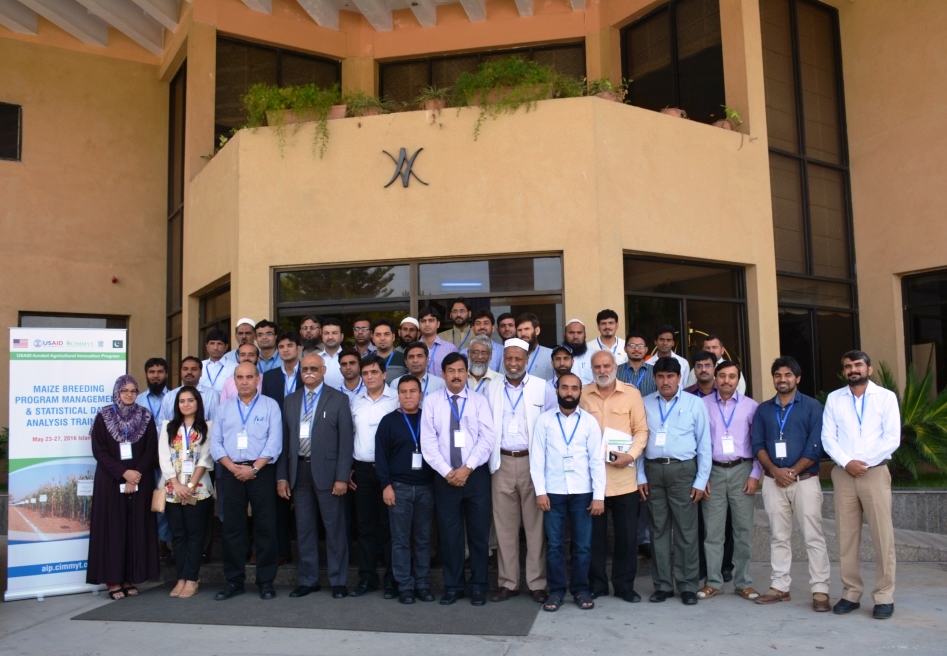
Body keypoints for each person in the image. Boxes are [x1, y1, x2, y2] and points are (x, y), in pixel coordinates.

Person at [822, 350, 900, 620]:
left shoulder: (886, 398)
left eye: (857, 365)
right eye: (847, 366)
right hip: (844, 474)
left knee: (882, 536)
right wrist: (846, 462)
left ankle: (884, 596)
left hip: (874, 472)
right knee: (846, 536)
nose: (853, 370)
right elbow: (828, 437)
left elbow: (892, 437)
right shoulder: (835, 398)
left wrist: (863, 462)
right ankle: (851, 592)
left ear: (870, 368)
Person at [752, 356, 831, 611]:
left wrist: (793, 471)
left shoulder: (812, 407)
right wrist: (775, 471)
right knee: (778, 536)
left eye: (788, 375)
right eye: (777, 375)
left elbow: (815, 446)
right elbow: (757, 445)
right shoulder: (763, 409)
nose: (782, 379)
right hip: (774, 482)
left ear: (798, 378)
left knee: (813, 536)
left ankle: (820, 590)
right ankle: (779, 587)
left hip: (805, 481)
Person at [420, 352, 496, 605]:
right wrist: (447, 472)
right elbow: (428, 443)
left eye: (460, 370)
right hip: (445, 478)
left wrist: (467, 468)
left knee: (478, 534)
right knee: (450, 536)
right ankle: (453, 586)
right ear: (443, 374)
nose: (456, 375)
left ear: (467, 373)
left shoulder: (478, 401)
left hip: (474, 476)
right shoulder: (431, 402)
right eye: (450, 370)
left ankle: (478, 586)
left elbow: (487, 439)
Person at [277, 353, 354, 599]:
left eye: (313, 368)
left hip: (330, 474)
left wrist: (342, 477)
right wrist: (282, 477)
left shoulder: (339, 399)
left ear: (322, 370)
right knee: (304, 528)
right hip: (299, 471)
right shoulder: (290, 400)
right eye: (304, 369)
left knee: (334, 529)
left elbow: (346, 441)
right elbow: (284, 442)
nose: (308, 372)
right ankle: (308, 580)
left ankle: (338, 580)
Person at [637, 356, 711, 605]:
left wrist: (701, 480)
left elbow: (704, 444)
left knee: (686, 531)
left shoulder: (694, 404)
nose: (665, 381)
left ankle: (688, 585)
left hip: (683, 472)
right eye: (660, 376)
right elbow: (638, 441)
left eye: (670, 376)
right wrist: (640, 475)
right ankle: (663, 586)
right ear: (654, 378)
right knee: (658, 530)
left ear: (679, 378)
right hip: (654, 471)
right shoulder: (644, 404)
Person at [531, 373, 606, 612]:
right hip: (552, 492)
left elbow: (596, 460)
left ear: (580, 392)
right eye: (565, 388)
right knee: (554, 545)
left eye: (574, 388)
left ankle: (581, 589)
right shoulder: (544, 421)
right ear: (557, 391)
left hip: (583, 492)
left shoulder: (589, 422)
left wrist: (598, 495)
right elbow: (537, 459)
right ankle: (556, 591)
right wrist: (540, 492)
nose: (569, 392)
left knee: (582, 545)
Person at [580, 350, 649, 603]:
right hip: (591, 481)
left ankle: (624, 585)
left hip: (624, 479)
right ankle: (597, 584)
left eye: (607, 365)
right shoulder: (583, 394)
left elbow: (641, 430)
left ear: (616, 367)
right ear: (591, 368)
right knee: (593, 538)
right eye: (597, 366)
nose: (602, 370)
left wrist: (630, 455)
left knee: (627, 537)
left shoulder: (632, 394)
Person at [486, 338, 551, 603]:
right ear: (503, 360)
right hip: (500, 463)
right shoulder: (491, 389)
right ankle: (508, 582)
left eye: (518, 359)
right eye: (509, 358)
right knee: (505, 527)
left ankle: (536, 583)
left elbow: (549, 427)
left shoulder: (541, 387)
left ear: (526, 360)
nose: (513, 363)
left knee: (535, 528)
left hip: (531, 464)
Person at [210, 363, 282, 601]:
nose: (244, 381)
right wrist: (233, 468)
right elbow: (216, 443)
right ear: (234, 380)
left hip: (261, 471)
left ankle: (265, 581)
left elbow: (274, 443)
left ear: (257, 379)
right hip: (231, 471)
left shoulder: (271, 406)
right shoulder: (223, 408)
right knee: (232, 528)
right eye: (239, 377)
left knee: (265, 527)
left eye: (249, 377)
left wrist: (253, 469)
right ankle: (234, 581)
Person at [86, 375, 159, 600]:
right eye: (124, 390)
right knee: (113, 530)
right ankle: (113, 580)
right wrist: (123, 473)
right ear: (117, 392)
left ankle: (129, 577)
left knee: (134, 528)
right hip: (110, 482)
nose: (129, 394)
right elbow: (99, 451)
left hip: (140, 480)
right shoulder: (104, 416)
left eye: (133, 391)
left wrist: (134, 475)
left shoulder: (145, 416)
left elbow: (150, 449)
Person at [697, 361, 761, 602]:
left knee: (743, 531)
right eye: (722, 376)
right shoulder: (702, 405)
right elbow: (697, 443)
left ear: (738, 380)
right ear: (715, 377)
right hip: (712, 472)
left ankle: (743, 582)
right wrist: (701, 478)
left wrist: (755, 474)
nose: (726, 381)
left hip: (742, 471)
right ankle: (713, 581)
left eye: (731, 376)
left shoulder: (750, 407)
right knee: (713, 532)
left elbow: (759, 443)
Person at [375, 375, 436, 604]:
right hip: (398, 488)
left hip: (426, 488)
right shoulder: (388, 422)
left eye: (413, 391)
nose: (408, 395)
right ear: (397, 395)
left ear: (421, 394)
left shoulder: (429, 418)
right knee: (400, 540)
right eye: (403, 391)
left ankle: (422, 583)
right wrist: (386, 485)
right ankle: (405, 586)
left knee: (423, 539)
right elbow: (381, 457)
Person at [350, 354, 401, 598]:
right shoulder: (355, 401)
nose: (369, 377)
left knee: (389, 527)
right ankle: (367, 578)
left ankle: (392, 579)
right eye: (365, 373)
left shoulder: (395, 400)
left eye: (374, 372)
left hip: (388, 472)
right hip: (361, 470)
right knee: (365, 527)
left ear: (384, 374)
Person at [159, 386, 215, 598]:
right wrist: (177, 485)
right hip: (173, 490)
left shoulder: (207, 427)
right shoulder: (168, 427)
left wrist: (189, 486)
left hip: (198, 490)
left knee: (195, 534)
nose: (186, 404)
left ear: (198, 403)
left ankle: (192, 578)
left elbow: (205, 458)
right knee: (178, 534)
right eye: (182, 401)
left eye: (190, 400)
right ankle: (180, 578)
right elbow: (164, 457)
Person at [157, 356, 220, 424]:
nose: (189, 372)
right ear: (180, 372)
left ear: (201, 372)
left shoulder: (212, 395)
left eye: (194, 369)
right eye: (185, 369)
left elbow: (215, 424)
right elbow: (162, 424)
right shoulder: (169, 396)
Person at [390, 341, 446, 405]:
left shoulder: (440, 384)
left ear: (427, 360)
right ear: (406, 362)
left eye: (419, 356)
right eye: (411, 357)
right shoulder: (396, 383)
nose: (415, 360)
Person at [261, 330, 302, 410]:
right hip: (277, 420)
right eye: (281, 347)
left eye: (289, 345)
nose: (285, 350)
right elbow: (265, 405)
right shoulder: (269, 376)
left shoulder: (309, 373)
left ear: (298, 348)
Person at [418, 306, 457, 378]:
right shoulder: (413, 349)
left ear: (438, 324)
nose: (427, 324)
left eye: (431, 320)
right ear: (419, 325)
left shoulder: (450, 349)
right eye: (423, 321)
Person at [617, 331, 657, 398]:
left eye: (641, 346)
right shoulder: (616, 371)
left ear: (646, 349)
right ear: (625, 349)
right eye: (632, 345)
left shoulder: (655, 371)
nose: (636, 349)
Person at [515, 312, 554, 381]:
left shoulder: (551, 355)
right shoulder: (508, 357)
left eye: (527, 329)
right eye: (519, 330)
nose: (523, 333)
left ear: (537, 331)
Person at [372, 318, 408, 384]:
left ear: (393, 337)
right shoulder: (366, 360)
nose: (382, 338)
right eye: (378, 335)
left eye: (386, 334)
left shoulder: (404, 359)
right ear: (373, 338)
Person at [200, 329, 233, 394]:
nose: (215, 347)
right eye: (212, 343)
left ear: (226, 347)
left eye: (219, 344)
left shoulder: (234, 367)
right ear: (206, 346)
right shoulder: (200, 366)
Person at [563, 319, 594, 384]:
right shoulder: (557, 357)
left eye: (579, 333)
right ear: (565, 334)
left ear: (585, 334)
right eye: (571, 333)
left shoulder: (593, 356)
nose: (575, 336)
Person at [319, 317, 346, 388]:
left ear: (342, 336)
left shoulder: (349, 358)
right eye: (326, 333)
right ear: (321, 336)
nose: (330, 337)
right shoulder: (316, 359)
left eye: (334, 333)